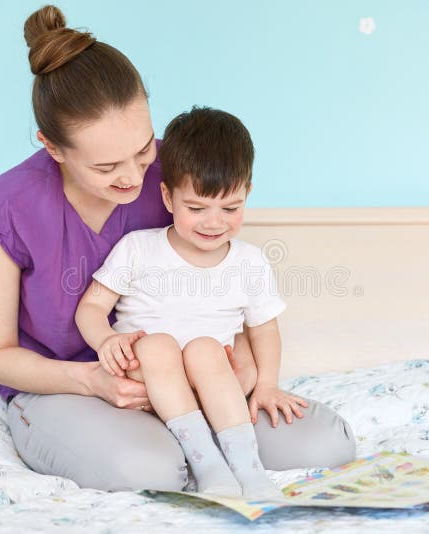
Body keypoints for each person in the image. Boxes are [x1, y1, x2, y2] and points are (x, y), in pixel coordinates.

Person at [0, 4, 356, 493]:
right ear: (53, 148)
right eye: (107, 167)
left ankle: (205, 446)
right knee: (152, 469)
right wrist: (92, 381)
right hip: (66, 388)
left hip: (191, 376)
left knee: (325, 444)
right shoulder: (7, 207)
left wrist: (243, 360)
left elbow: (219, 273)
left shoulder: (176, 181)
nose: (134, 178)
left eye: (143, 150)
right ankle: (188, 450)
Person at [76, 107, 306, 499]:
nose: (213, 222)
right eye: (196, 208)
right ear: (167, 196)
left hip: (216, 382)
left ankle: (249, 472)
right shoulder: (139, 248)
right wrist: (105, 341)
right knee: (160, 344)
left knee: (204, 350)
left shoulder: (248, 262)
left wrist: (266, 384)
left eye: (230, 208)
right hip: (146, 383)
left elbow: (265, 329)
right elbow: (91, 308)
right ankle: (208, 465)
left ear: (246, 194)